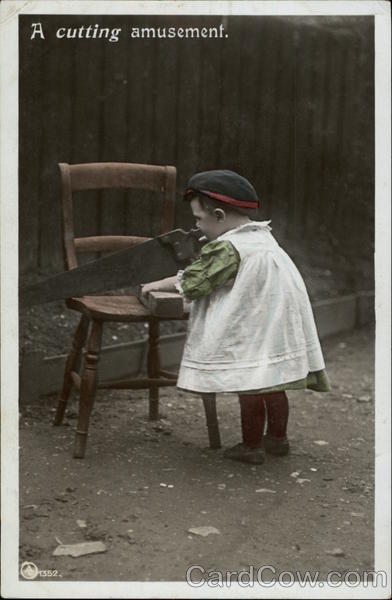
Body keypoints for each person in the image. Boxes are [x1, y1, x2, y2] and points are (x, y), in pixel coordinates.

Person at [141, 170, 330, 464]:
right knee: (274, 384)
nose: (196, 226)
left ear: (218, 215)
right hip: (275, 322)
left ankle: (251, 446)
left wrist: (156, 285)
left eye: (198, 219)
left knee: (250, 385)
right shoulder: (263, 238)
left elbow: (195, 281)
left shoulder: (229, 247)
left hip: (254, 326)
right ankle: (278, 439)